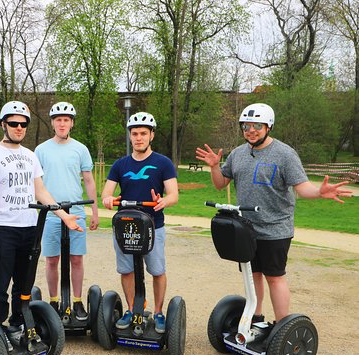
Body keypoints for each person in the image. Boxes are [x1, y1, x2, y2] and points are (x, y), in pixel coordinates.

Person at [195, 103, 352, 322]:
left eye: (257, 125)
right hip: (246, 228)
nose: (251, 130)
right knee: (253, 275)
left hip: (275, 228)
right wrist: (214, 166)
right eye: (246, 126)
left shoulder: (285, 154)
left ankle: (281, 326)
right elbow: (221, 184)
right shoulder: (238, 154)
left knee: (274, 277)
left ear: (268, 126)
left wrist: (318, 192)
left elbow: (302, 187)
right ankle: (256, 318)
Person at [0, 100, 83, 330]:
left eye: (23, 124)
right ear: (3, 124)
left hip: (29, 229)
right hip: (2, 229)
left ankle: (19, 324)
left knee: (24, 283)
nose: (19, 127)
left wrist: (63, 216)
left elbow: (41, 191)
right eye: (14, 123)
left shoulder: (30, 156)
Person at [101, 112, 178, 333]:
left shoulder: (163, 163)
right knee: (126, 270)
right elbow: (107, 192)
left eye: (143, 133)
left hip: (154, 225)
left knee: (157, 270)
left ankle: (158, 312)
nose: (139, 138)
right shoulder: (120, 164)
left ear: (151, 135)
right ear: (130, 136)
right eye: (135, 134)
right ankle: (132, 309)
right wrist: (108, 199)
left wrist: (164, 201)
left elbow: (173, 194)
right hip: (125, 225)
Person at [34, 102, 99, 320]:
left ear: (71, 123)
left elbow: (89, 181)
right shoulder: (41, 150)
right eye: (58, 120)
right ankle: (54, 301)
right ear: (52, 122)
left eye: (66, 120)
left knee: (76, 259)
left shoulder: (80, 149)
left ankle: (78, 301)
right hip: (50, 212)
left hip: (76, 211)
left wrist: (95, 211)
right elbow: (36, 184)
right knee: (52, 259)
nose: (62, 124)